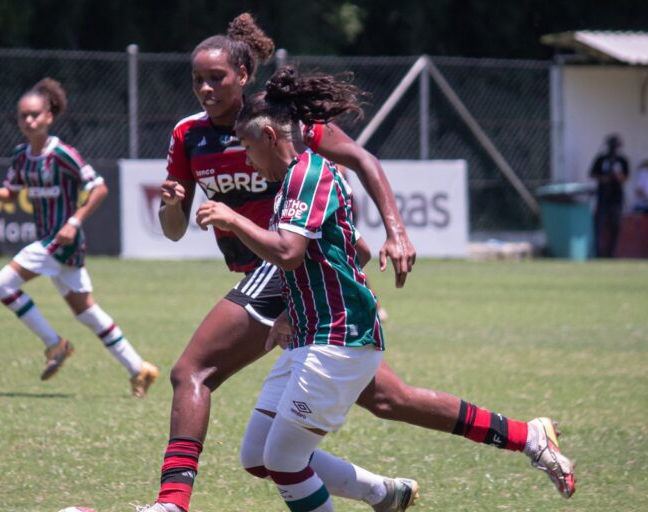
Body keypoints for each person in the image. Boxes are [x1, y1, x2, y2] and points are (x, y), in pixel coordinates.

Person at [137, 14, 574, 512]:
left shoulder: (285, 127)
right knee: (389, 400)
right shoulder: (189, 136)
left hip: (284, 267)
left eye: (216, 77)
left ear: (243, 76)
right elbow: (174, 229)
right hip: (293, 280)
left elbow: (362, 163)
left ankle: (172, 503)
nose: (205, 88)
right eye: (197, 79)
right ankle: (505, 444)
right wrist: (174, 205)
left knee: (192, 371)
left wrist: (397, 230)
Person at [195, 66, 403, 512]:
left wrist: (233, 218)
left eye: (248, 148)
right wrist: (292, 309)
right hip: (309, 335)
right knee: (258, 456)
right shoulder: (293, 180)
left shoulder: (308, 176)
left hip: (339, 338)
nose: (247, 160)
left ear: (269, 135)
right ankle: (384, 494)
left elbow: (288, 253)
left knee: (285, 460)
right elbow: (349, 251)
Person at [0, 78, 159, 397]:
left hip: (60, 242)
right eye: (23, 116)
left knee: (2, 285)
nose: (29, 121)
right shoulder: (21, 156)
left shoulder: (63, 154)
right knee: (86, 312)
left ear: (49, 116)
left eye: (35, 114)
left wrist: (74, 220)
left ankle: (54, 344)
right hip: (52, 243)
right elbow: (10, 196)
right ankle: (139, 368)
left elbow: (99, 188)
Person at [590, 134, 629, 258]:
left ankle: (611, 252)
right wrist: (604, 178)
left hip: (616, 198)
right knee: (599, 226)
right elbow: (592, 174)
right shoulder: (601, 159)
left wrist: (617, 176)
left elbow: (625, 178)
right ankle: (598, 253)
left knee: (616, 225)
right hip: (602, 197)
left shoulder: (622, 160)